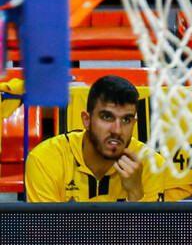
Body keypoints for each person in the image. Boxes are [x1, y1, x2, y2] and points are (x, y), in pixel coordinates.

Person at [25, 75, 166, 202]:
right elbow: (47, 224)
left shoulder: (151, 164)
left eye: (126, 120)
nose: (117, 130)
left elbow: (152, 224)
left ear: (134, 123)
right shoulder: (44, 160)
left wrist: (135, 192)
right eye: (107, 117)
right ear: (86, 120)